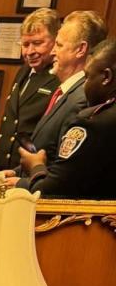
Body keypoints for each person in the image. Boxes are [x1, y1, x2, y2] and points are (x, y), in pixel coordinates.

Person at [20, 37, 116, 202]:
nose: (84, 86)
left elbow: (48, 192)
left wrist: (36, 166)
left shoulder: (92, 123)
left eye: (87, 77)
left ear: (106, 77)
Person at [17, 10, 107, 184]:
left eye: (58, 45)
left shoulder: (82, 98)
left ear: (80, 49)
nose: (52, 53)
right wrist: (17, 173)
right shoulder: (67, 91)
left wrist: (22, 182)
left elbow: (66, 173)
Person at [0, 9, 60, 172]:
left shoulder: (59, 77)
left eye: (37, 43)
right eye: (25, 44)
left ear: (56, 42)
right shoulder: (23, 71)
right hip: (5, 169)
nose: (29, 52)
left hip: (29, 172)